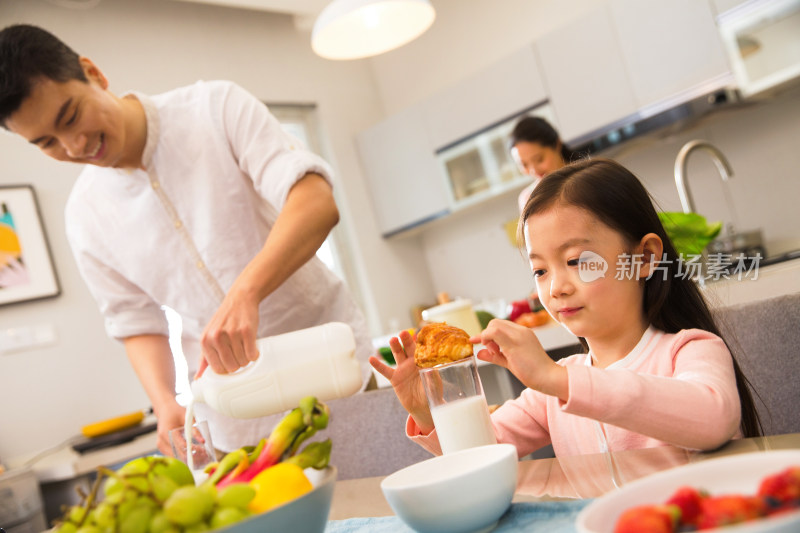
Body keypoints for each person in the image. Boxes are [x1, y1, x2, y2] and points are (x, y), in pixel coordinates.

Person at [0, 24, 374, 455]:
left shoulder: (215, 108)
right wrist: (165, 402)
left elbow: (315, 204)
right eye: (47, 142)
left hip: (335, 370)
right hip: (240, 421)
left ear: (93, 73)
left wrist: (244, 293)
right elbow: (136, 322)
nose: (74, 144)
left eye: (70, 116)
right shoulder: (85, 216)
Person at [371, 158, 762, 458]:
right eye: (539, 270)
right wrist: (430, 412)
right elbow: (481, 453)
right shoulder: (551, 389)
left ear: (643, 258)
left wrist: (556, 379)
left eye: (576, 261)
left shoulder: (690, 351)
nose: (556, 287)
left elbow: (712, 419)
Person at [509, 115, 577, 212]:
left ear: (557, 145)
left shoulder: (590, 178)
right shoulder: (528, 199)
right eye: (524, 164)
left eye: (539, 159)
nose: (534, 170)